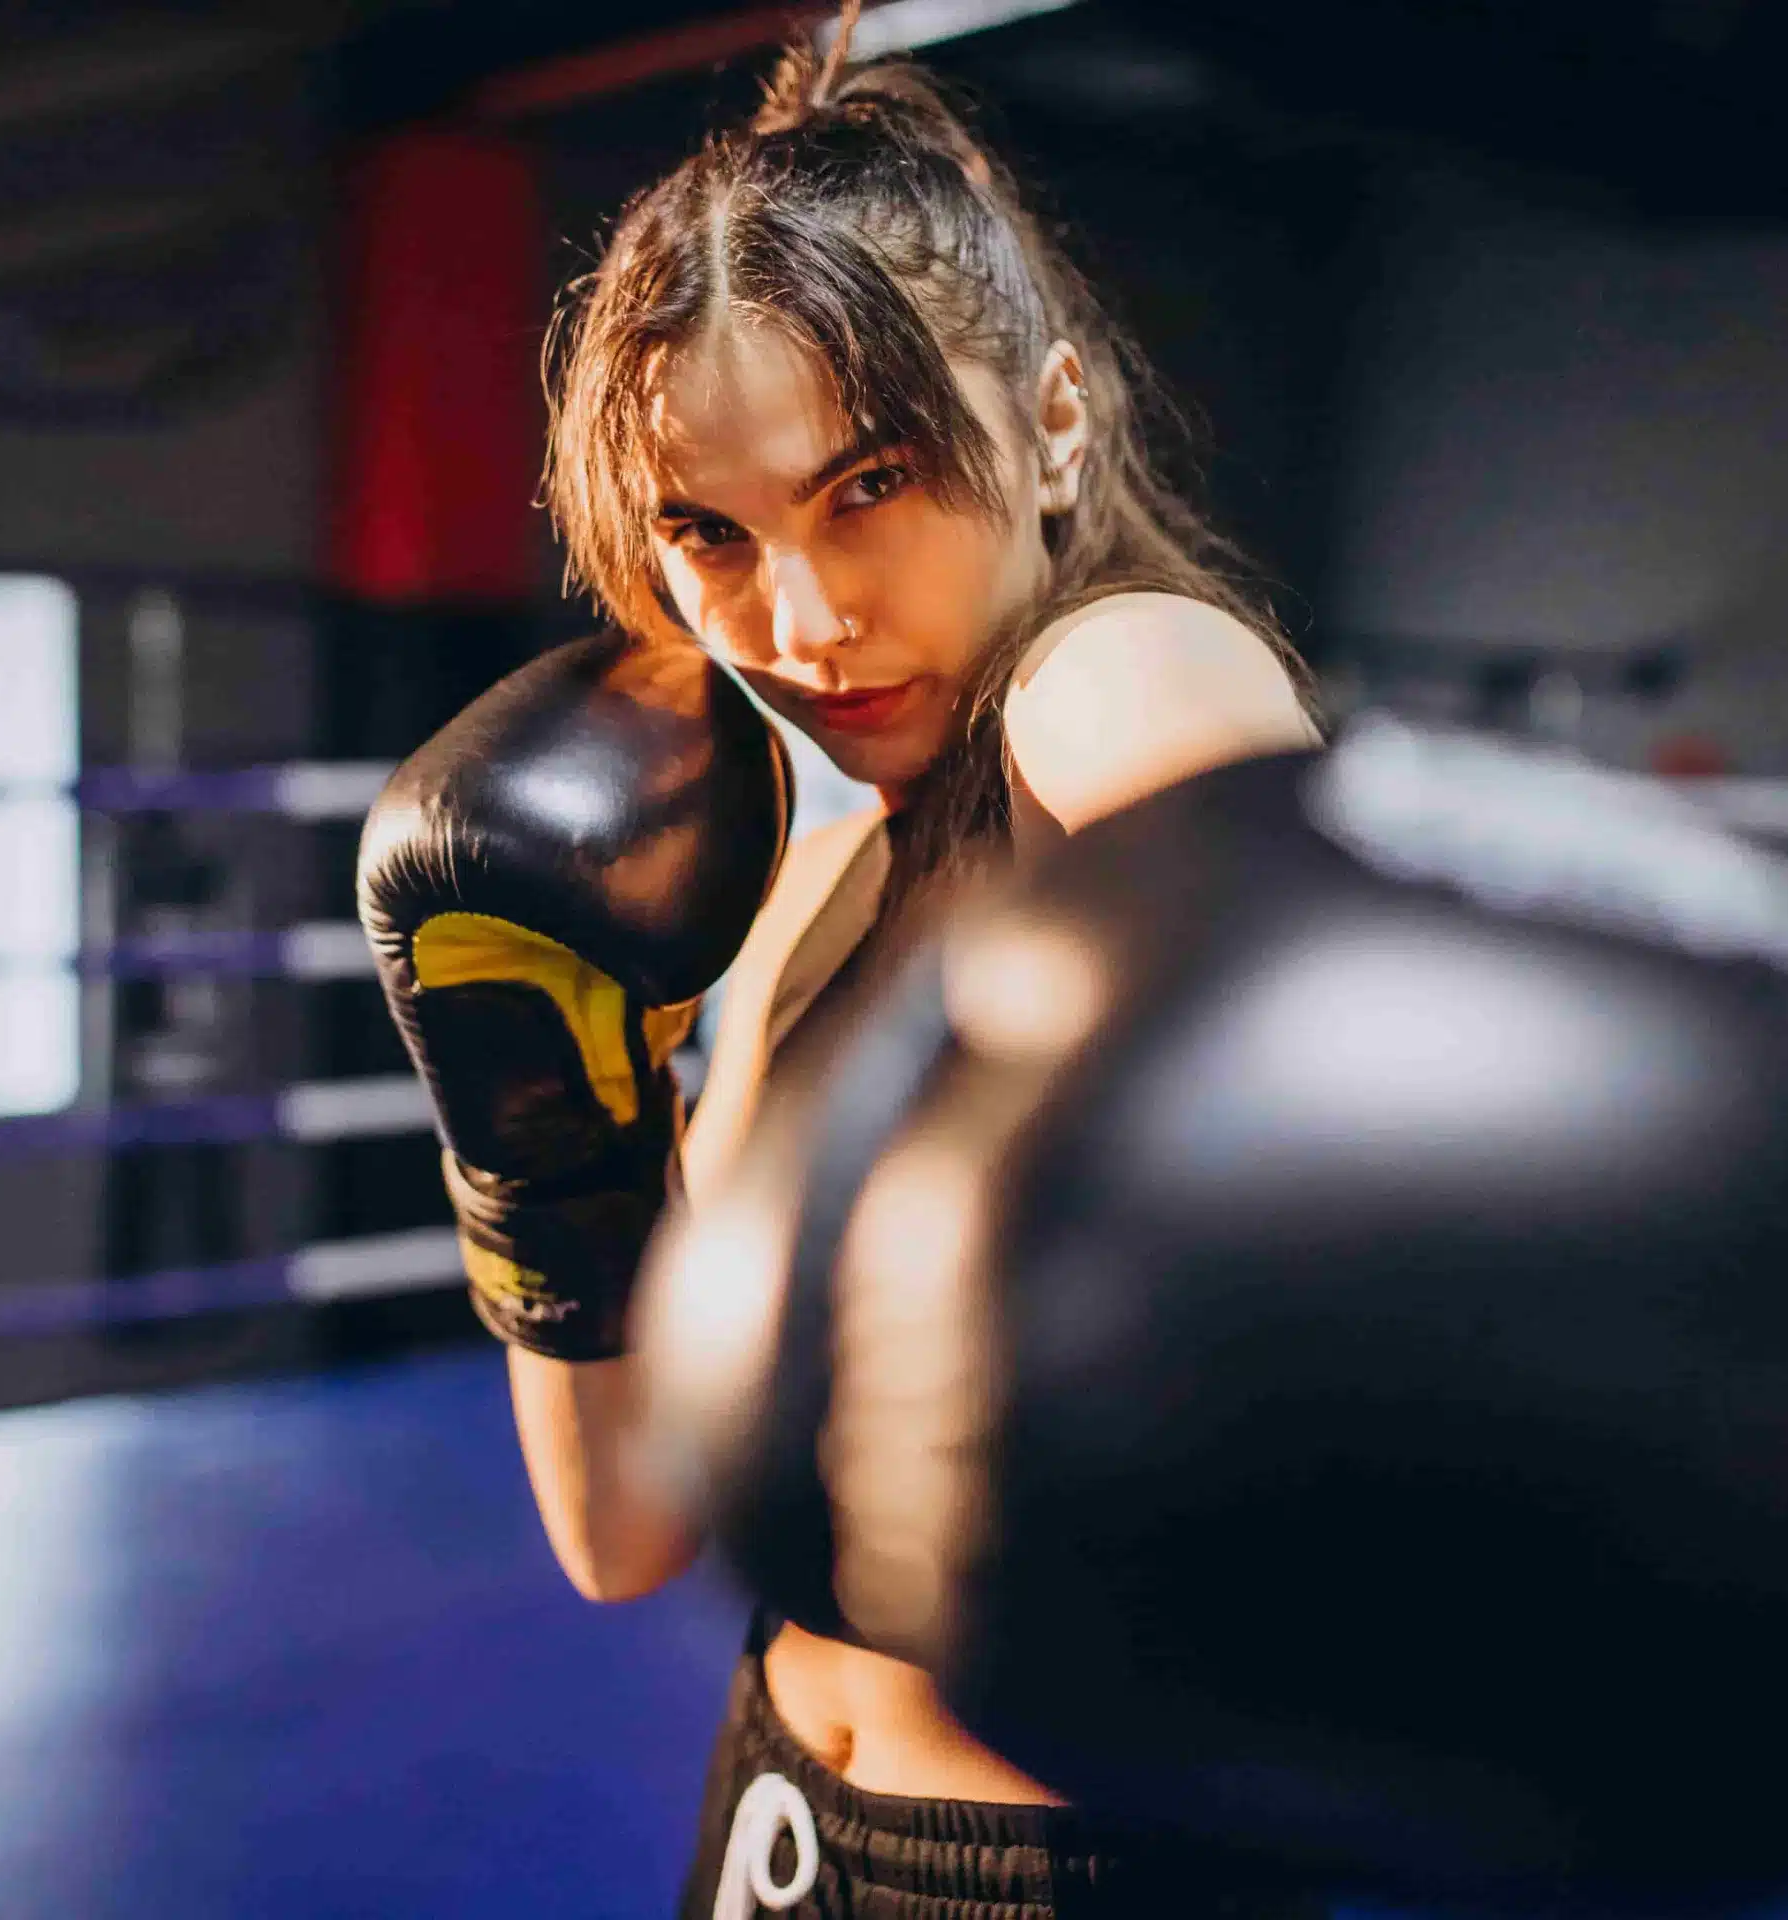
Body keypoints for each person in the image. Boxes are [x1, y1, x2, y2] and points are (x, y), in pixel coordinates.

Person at [534, 19, 1317, 1916]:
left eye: (870, 481)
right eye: (710, 534)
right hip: (778, 1811)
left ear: (1051, 424)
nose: (797, 622)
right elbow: (625, 1528)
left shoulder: (1111, 675)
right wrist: (528, 1115)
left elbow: (1306, 1015)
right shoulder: (801, 868)